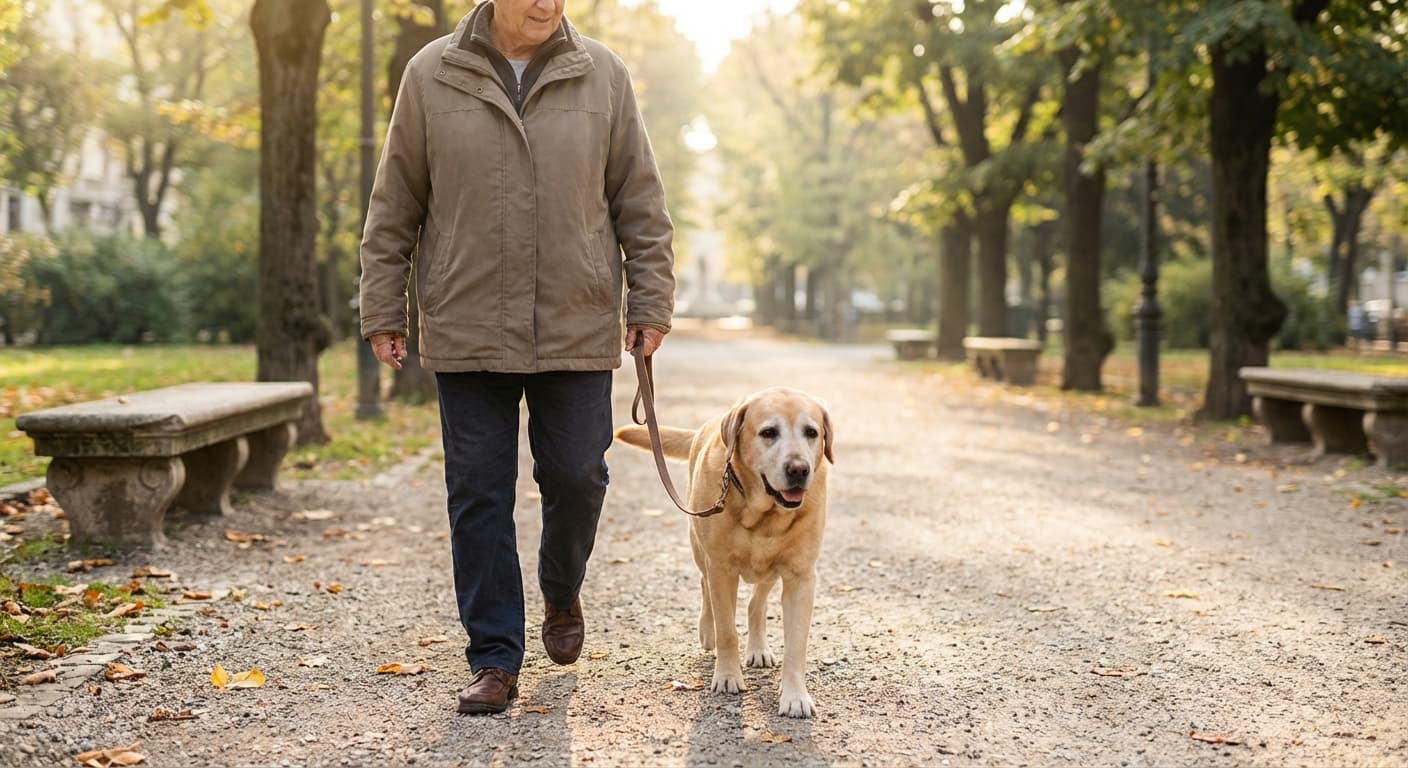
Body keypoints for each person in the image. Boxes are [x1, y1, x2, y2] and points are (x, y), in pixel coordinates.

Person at [358, 0, 675, 715]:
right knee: (478, 494)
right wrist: (383, 309)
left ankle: (561, 589)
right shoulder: (430, 73)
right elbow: (395, 203)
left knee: (578, 476)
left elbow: (641, 203)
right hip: (468, 323)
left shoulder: (603, 74)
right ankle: (494, 658)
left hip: (576, 321)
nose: (546, 3)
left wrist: (650, 303)